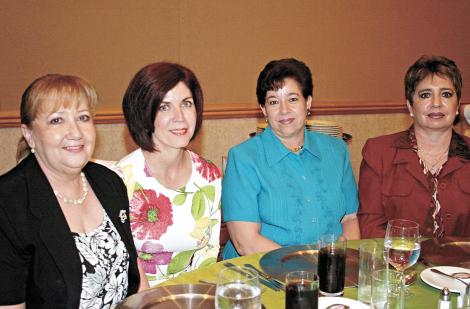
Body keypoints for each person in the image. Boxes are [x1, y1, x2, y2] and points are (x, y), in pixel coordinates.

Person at [0, 74, 141, 308]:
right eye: (57, 120)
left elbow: (137, 277)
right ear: (29, 134)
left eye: (83, 118)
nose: (75, 132)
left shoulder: (109, 182)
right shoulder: (8, 204)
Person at [221, 58, 360, 259]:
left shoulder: (336, 150)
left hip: (328, 270)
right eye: (273, 101)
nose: (284, 110)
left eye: (293, 99)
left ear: (308, 102)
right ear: (263, 110)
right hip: (260, 274)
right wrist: (306, 268)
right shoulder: (243, 158)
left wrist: (339, 263)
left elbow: (350, 219)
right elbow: (246, 242)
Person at [114, 62, 221, 286]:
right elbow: (119, 268)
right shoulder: (120, 180)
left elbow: (208, 254)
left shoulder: (208, 175)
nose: (179, 117)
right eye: (164, 107)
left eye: (186, 104)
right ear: (144, 112)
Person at [358, 55, 470, 238]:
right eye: (425, 94)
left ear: (457, 105)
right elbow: (370, 227)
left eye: (446, 94)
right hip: (400, 264)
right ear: (410, 106)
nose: (436, 103)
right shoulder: (378, 152)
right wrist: (406, 256)